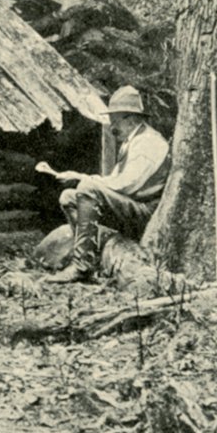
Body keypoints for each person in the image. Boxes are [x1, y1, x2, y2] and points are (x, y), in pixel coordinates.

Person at [36, 85, 170, 284]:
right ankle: (93, 255)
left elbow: (126, 185)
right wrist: (80, 177)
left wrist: (84, 179)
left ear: (131, 119)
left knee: (87, 188)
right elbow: (117, 182)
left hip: (145, 212)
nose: (112, 126)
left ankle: (82, 265)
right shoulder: (132, 141)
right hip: (131, 206)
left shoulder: (149, 143)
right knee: (68, 197)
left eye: (116, 120)